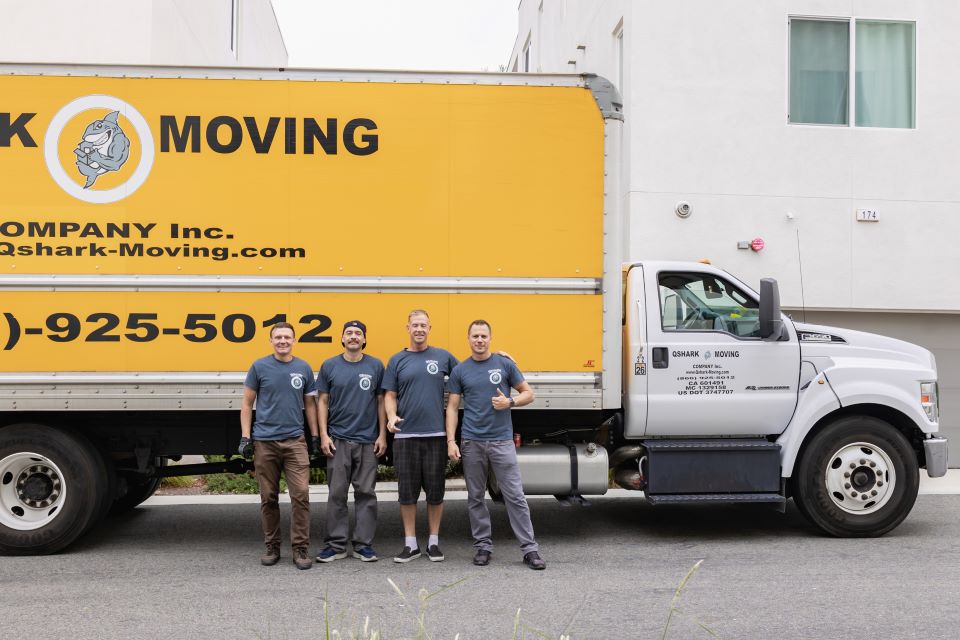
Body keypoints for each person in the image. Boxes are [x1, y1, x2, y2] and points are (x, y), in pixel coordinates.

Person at [446, 319, 545, 570]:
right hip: (472, 442)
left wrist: (509, 403)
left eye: (483, 336)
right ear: (468, 339)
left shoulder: (504, 364)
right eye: (475, 336)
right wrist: (451, 441)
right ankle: (483, 547)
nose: (479, 340)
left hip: (502, 441)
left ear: (490, 338)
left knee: (514, 496)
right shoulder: (460, 370)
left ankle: (530, 550)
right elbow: (452, 407)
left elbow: (529, 394)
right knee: (476, 497)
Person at [239, 322, 320, 570]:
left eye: (287, 337)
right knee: (268, 497)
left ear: (294, 341)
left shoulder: (303, 368)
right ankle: (272, 546)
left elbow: (310, 405)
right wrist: (246, 438)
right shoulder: (259, 366)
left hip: (295, 441)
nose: (283, 341)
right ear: (271, 340)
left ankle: (300, 549)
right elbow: (246, 403)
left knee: (301, 496)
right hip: (265, 442)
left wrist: (315, 436)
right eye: (278, 337)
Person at [382, 309, 459, 563]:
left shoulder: (443, 357)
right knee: (407, 493)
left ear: (429, 328)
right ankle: (411, 544)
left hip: (436, 436)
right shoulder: (397, 360)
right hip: (405, 437)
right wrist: (391, 416)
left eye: (423, 325)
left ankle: (434, 543)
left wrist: (500, 358)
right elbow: (389, 395)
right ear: (407, 328)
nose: (419, 329)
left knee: (435, 493)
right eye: (415, 325)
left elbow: (467, 373)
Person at [314, 320, 387, 563]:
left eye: (358, 333)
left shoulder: (376, 366)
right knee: (336, 494)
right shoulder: (330, 366)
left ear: (364, 339)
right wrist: (324, 435)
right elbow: (322, 402)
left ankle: (363, 545)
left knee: (366, 493)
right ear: (342, 339)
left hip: (367, 441)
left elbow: (380, 402)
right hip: (338, 441)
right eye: (349, 333)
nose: (353, 336)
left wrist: (382, 435)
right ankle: (335, 545)